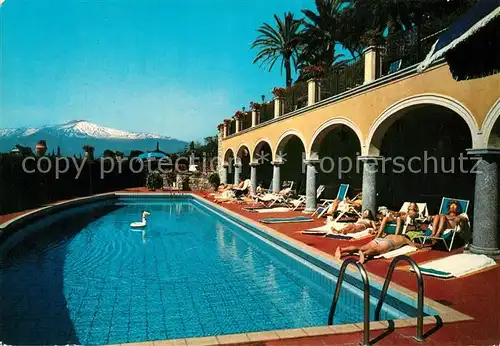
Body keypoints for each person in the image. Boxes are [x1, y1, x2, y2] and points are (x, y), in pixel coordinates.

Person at [334, 234, 424, 264]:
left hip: (379, 239)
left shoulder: (392, 234)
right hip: (388, 243)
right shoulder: (404, 239)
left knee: (361, 247)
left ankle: (342, 250)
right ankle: (364, 254)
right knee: (377, 250)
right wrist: (422, 246)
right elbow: (414, 246)